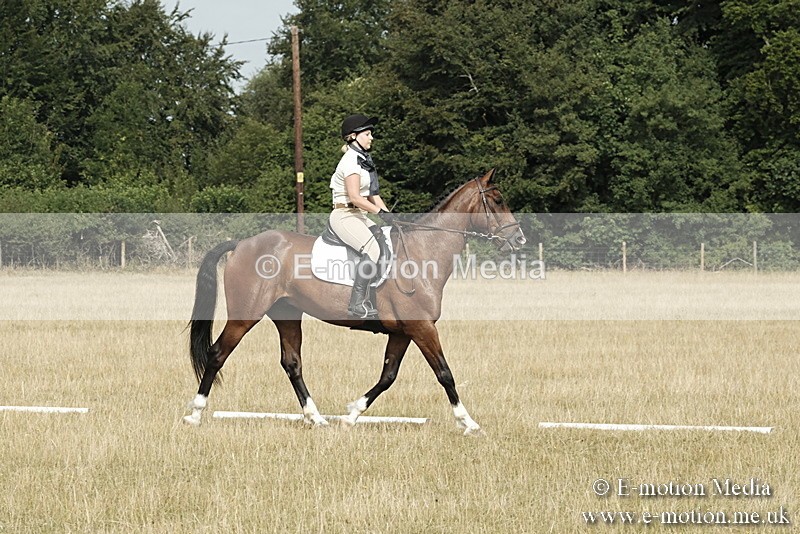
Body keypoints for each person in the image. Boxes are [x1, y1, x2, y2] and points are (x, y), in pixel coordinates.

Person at [329, 114, 395, 319]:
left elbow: (373, 196)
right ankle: (356, 303)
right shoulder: (350, 161)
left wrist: (391, 217)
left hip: (358, 215)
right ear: (353, 137)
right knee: (372, 248)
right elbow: (356, 198)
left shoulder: (364, 161)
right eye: (367, 134)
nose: (371, 137)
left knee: (386, 239)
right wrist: (380, 213)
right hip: (344, 215)